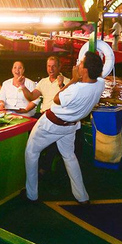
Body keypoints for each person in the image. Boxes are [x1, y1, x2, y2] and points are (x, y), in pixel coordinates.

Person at [23, 51, 105, 204]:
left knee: (31, 152)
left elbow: (56, 99)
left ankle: (31, 194)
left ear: (85, 70)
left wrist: (73, 80)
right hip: (70, 126)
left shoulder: (76, 89)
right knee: (69, 156)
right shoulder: (100, 84)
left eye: (80, 64)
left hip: (51, 124)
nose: (77, 65)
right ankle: (82, 197)